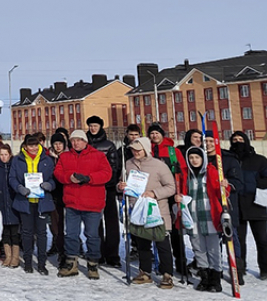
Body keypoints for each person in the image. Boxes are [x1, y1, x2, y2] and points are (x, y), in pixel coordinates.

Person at [117, 137, 176, 289]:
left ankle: (167, 274)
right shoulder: (128, 164)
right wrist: (120, 186)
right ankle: (145, 272)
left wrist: (154, 193)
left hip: (157, 211)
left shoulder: (159, 165)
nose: (135, 152)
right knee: (142, 243)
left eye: (138, 149)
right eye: (133, 149)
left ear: (146, 148)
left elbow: (171, 187)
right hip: (136, 210)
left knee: (162, 243)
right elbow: (122, 184)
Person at [54, 129, 112, 279]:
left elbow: (107, 173)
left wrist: (89, 178)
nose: (76, 143)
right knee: (71, 234)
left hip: (92, 203)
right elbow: (58, 173)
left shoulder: (98, 156)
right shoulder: (65, 156)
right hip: (72, 202)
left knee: (92, 235)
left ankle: (93, 263)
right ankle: (71, 262)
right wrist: (69, 177)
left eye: (79, 140)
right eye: (73, 140)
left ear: (85, 142)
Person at [178, 146, 229, 292]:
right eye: (191, 158)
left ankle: (215, 278)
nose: (194, 160)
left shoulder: (211, 172)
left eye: (197, 157)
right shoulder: (185, 175)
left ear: (203, 159)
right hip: (193, 216)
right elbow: (182, 191)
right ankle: (204, 276)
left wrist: (224, 187)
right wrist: (179, 198)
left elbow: (222, 194)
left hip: (210, 216)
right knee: (198, 248)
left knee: (213, 248)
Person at [230, 131, 267, 281]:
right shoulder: (229, 160)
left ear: (246, 141)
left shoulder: (259, 160)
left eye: (241, 139)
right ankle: (240, 267)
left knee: (262, 240)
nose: (238, 142)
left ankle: (265, 269)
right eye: (235, 140)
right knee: (239, 240)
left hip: (256, 204)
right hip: (237, 206)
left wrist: (252, 184)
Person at [10, 134, 55, 275]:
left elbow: (54, 178)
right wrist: (19, 188)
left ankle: (42, 263)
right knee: (27, 233)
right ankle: (28, 262)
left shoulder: (47, 159)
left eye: (36, 145)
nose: (34, 148)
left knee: (42, 233)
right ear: (25, 146)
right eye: (31, 145)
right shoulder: (17, 160)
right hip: (25, 201)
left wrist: (50, 185)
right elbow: (12, 178)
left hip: (42, 202)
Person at [204, 131, 245, 284]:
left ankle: (237, 269)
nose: (208, 144)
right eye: (205, 141)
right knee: (213, 239)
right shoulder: (200, 158)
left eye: (210, 141)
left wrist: (229, 184)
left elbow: (239, 183)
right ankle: (216, 268)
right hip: (208, 205)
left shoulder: (228, 159)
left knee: (231, 237)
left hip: (226, 205)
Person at [148, 123, 188, 276]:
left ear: (162, 134)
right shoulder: (148, 150)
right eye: (152, 133)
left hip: (172, 192)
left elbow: (183, 171)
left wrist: (182, 192)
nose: (154, 136)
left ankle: (180, 262)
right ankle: (159, 261)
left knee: (175, 229)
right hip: (154, 193)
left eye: (157, 133)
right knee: (157, 228)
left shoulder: (172, 151)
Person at [85, 115, 121, 267]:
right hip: (90, 188)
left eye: (96, 126)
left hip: (107, 188)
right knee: (94, 222)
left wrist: (106, 182)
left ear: (100, 127)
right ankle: (97, 252)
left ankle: (112, 254)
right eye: (91, 125)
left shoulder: (108, 145)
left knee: (111, 221)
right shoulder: (84, 144)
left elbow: (114, 167)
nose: (93, 128)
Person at [0, 143, 20, 268]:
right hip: (1, 205)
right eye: (1, 155)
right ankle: (8, 256)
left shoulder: (15, 167)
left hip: (14, 205)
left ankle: (15, 257)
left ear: (10, 155)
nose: (4, 157)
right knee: (5, 232)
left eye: (6, 154)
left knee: (15, 232)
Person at [48, 132, 68, 262]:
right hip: (53, 194)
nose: (58, 146)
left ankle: (72, 247)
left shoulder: (68, 156)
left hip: (67, 193)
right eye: (55, 144)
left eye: (60, 143)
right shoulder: (49, 158)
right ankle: (58, 246)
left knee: (68, 223)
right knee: (55, 223)